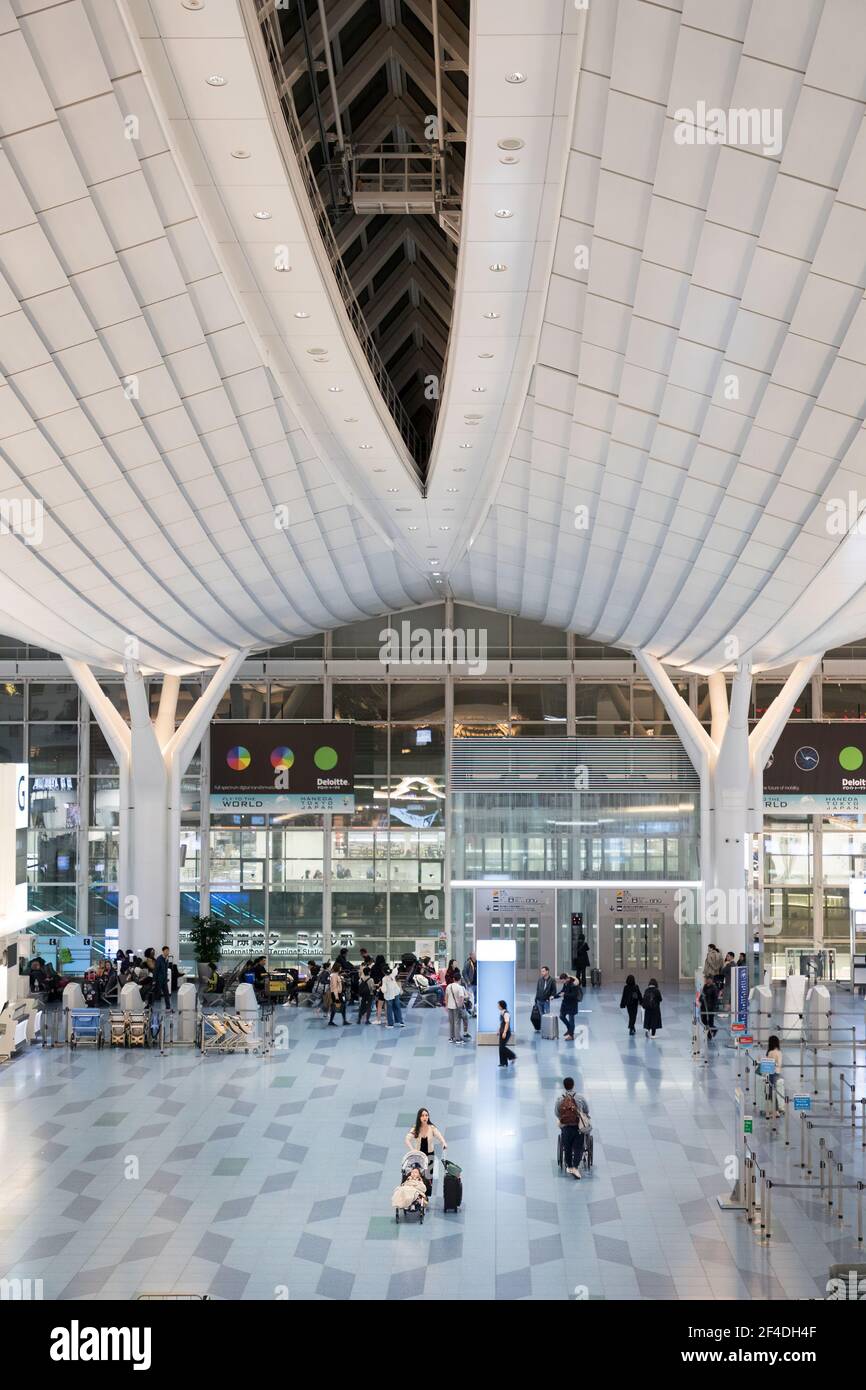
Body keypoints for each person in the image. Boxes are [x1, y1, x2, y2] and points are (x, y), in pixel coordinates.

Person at [554, 1076, 591, 1179]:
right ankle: (575, 1167)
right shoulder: (580, 1098)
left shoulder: (560, 1099)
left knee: (567, 1146)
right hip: (578, 1127)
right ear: (573, 1085)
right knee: (578, 1147)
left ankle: (569, 1165)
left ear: (564, 1086)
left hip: (566, 1127)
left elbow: (557, 1113)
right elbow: (587, 1110)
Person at [445, 974, 468, 1043]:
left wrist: (446, 1005)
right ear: (460, 979)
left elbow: (446, 996)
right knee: (457, 1022)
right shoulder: (459, 987)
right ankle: (458, 1039)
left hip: (449, 1006)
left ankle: (451, 1038)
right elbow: (461, 998)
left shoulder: (449, 986)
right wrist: (460, 1006)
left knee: (451, 1022)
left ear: (453, 979)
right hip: (456, 1007)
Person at [557, 972, 580, 1041]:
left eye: (563, 981)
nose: (562, 982)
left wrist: (564, 994)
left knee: (571, 1020)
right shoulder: (565, 983)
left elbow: (574, 995)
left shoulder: (573, 984)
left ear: (566, 979)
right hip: (565, 1004)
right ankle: (569, 1029)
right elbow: (562, 992)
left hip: (572, 1005)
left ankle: (571, 1035)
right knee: (561, 1016)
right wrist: (554, 996)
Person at [765, 1034, 783, 1112]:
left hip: (772, 1073)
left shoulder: (771, 1052)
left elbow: (767, 1063)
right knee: (773, 1090)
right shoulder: (779, 1052)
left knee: (771, 1091)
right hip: (778, 1073)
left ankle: (775, 1110)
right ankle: (776, 1109)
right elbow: (779, 1064)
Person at [153, 945, 172, 1013]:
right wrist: (154, 980)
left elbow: (165, 970)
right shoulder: (159, 959)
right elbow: (156, 970)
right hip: (158, 980)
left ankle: (168, 1008)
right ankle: (150, 1008)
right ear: (163, 951)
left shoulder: (166, 959)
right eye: (166, 951)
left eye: (168, 951)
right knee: (156, 995)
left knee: (166, 994)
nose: (167, 952)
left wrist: (166, 978)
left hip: (164, 980)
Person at [699, 975, 719, 1040]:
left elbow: (715, 999)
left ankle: (710, 1034)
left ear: (711, 980)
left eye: (708, 979)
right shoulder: (705, 986)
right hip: (704, 1007)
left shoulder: (714, 988)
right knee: (703, 1020)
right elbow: (702, 994)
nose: (706, 980)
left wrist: (714, 1008)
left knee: (710, 1022)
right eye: (706, 979)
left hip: (710, 1008)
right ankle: (712, 1030)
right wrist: (700, 999)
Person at [497, 1000, 516, 1067]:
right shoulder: (501, 1013)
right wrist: (499, 1030)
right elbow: (502, 1023)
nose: (498, 1006)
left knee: (502, 1047)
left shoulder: (506, 1013)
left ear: (502, 1006)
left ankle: (512, 1056)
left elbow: (507, 1023)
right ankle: (503, 1062)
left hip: (506, 1032)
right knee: (501, 1047)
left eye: (498, 1005)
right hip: (502, 1031)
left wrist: (504, 1032)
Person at [356, 959, 374, 1024]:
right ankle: (367, 1020)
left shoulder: (361, 978)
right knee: (369, 1007)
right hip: (369, 995)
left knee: (362, 1006)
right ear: (369, 972)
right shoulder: (371, 979)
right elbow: (372, 988)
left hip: (363, 994)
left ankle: (359, 1019)